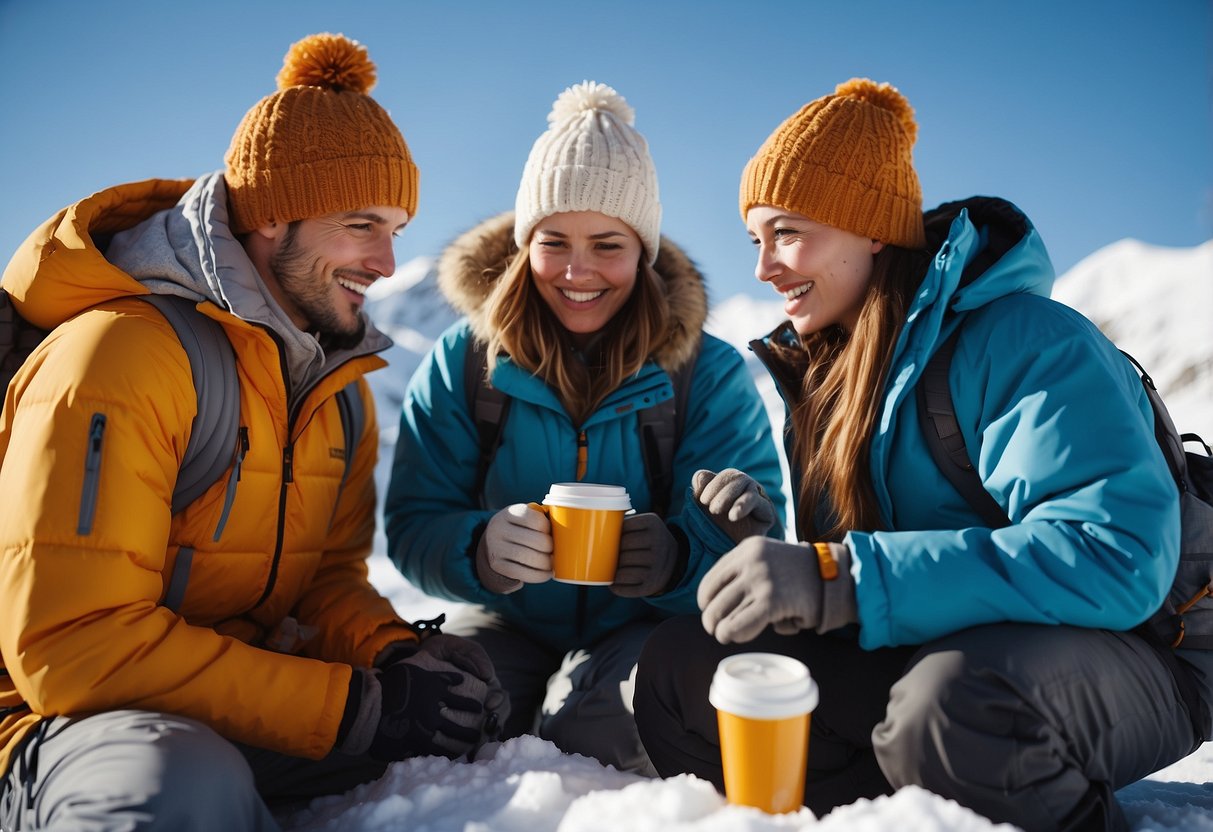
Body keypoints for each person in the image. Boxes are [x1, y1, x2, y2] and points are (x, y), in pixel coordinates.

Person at [633, 78, 1210, 831]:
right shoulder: (828, 378)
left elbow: (1113, 555)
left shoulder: (1025, 340)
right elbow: (865, 581)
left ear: (870, 229)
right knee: (690, 669)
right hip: (945, 656)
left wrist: (839, 576)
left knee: (949, 715)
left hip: (1141, 653)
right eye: (755, 240)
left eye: (787, 232)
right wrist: (766, 551)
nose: (763, 267)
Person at [0, 33, 506, 831]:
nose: (385, 261)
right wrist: (350, 707)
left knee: (474, 754)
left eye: (397, 228)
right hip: (66, 722)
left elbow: (325, 580)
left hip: (245, 695)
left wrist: (396, 656)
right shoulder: (122, 356)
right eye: (361, 224)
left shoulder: (333, 385)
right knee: (176, 787)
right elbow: (78, 648)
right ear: (272, 215)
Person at [384, 81, 786, 774]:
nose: (578, 271)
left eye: (607, 244)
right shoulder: (464, 365)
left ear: (643, 252)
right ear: (521, 246)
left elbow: (749, 539)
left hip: (642, 627)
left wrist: (674, 562)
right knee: (437, 724)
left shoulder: (703, 374)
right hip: (504, 621)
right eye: (553, 242)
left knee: (607, 737)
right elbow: (414, 524)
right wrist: (477, 549)